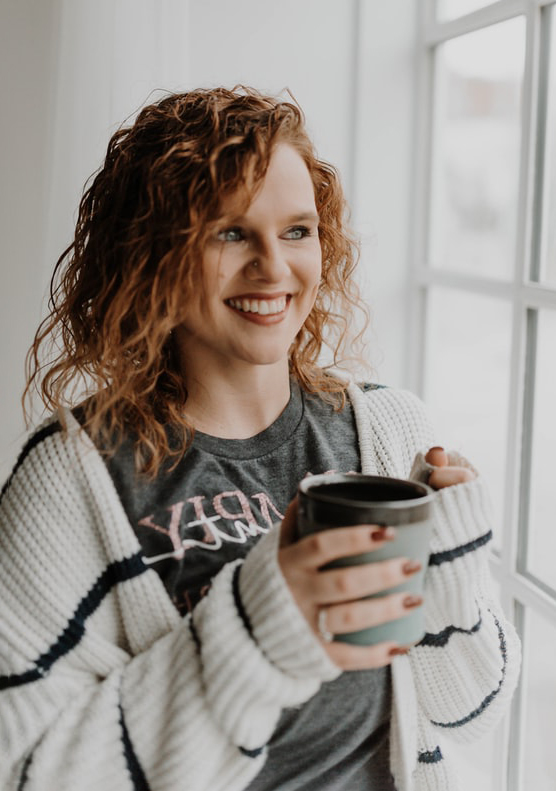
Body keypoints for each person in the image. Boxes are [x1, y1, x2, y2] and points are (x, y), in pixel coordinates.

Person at [0, 86, 520, 791]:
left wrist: (451, 569)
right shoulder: (73, 477)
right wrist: (259, 626)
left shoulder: (391, 429)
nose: (274, 267)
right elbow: (28, 771)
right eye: (231, 233)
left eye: (297, 231)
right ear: (154, 254)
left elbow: (470, 711)